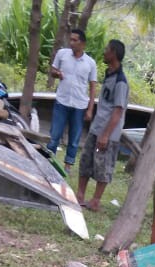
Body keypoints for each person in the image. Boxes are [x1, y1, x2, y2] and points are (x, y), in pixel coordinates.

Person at [77, 40, 128, 212]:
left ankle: (96, 200)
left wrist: (106, 135)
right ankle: (80, 195)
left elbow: (118, 111)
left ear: (113, 53)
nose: (104, 52)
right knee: (86, 161)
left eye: (106, 49)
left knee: (103, 166)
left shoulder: (121, 81)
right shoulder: (109, 75)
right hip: (96, 127)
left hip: (108, 133)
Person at [47, 29, 97, 174]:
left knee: (74, 138)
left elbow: (93, 86)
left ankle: (67, 167)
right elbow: (52, 71)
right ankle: (49, 162)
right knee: (55, 134)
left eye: (75, 40)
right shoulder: (62, 54)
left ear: (82, 43)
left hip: (79, 105)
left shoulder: (90, 63)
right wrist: (56, 73)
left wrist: (90, 109)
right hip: (62, 102)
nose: (72, 43)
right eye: (71, 40)